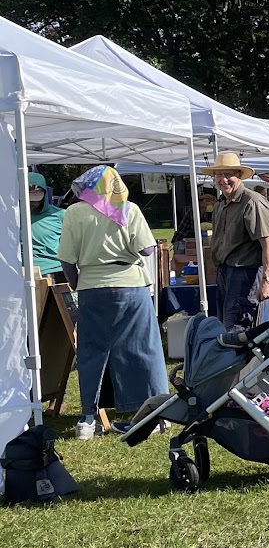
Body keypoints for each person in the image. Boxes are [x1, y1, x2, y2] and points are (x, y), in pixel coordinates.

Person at [55, 166, 167, 438]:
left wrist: (76, 282)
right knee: (144, 350)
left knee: (92, 352)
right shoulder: (129, 209)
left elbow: (67, 259)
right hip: (131, 284)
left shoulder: (74, 212)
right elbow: (148, 249)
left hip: (92, 286)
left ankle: (87, 420)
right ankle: (157, 415)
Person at [203, 152, 269, 340]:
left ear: (239, 175)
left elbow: (268, 244)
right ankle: (233, 367)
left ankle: (241, 369)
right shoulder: (220, 204)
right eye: (218, 175)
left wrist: (266, 282)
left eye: (228, 175)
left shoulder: (252, 202)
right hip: (225, 272)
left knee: (238, 330)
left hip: (245, 274)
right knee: (224, 327)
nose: (223, 180)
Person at [26, 172, 65, 282]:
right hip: (21, 271)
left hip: (52, 271)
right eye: (29, 199)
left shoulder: (60, 215)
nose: (33, 203)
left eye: (37, 199)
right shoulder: (13, 216)